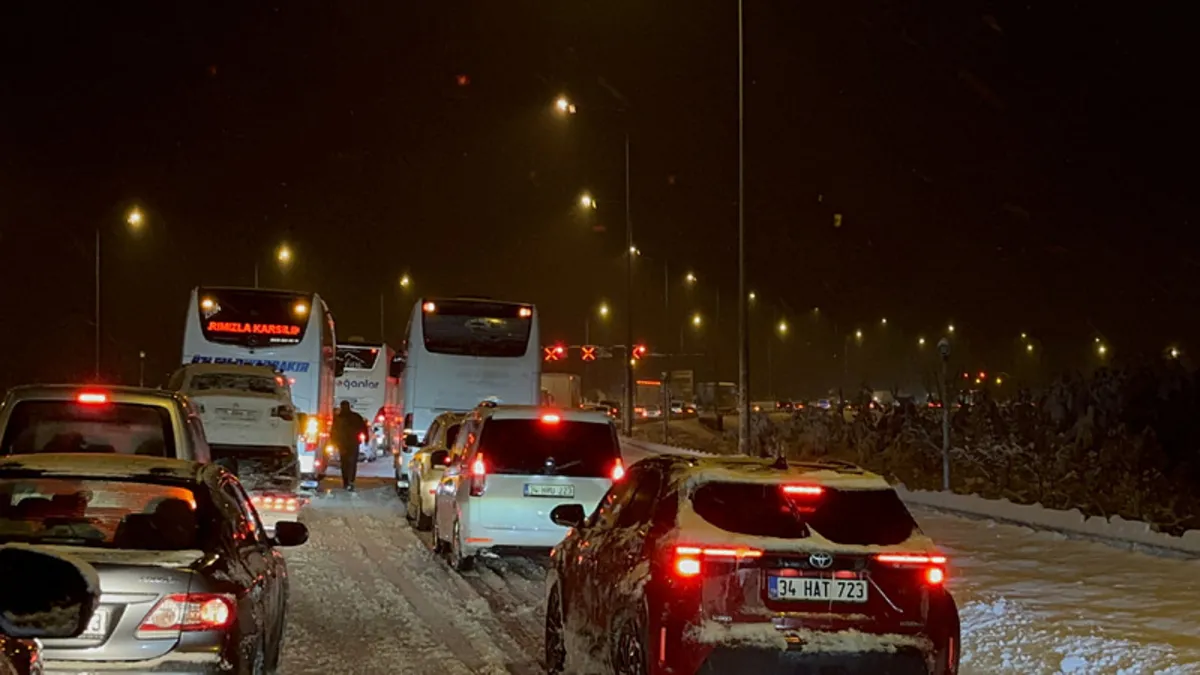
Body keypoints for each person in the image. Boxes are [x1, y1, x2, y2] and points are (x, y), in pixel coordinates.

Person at [332, 400, 367, 492]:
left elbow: (333, 432)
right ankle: (350, 481)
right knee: (352, 463)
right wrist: (366, 438)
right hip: (353, 443)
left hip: (343, 444)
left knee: (345, 463)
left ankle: (346, 481)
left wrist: (334, 442)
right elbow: (364, 428)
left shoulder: (338, 418)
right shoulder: (356, 417)